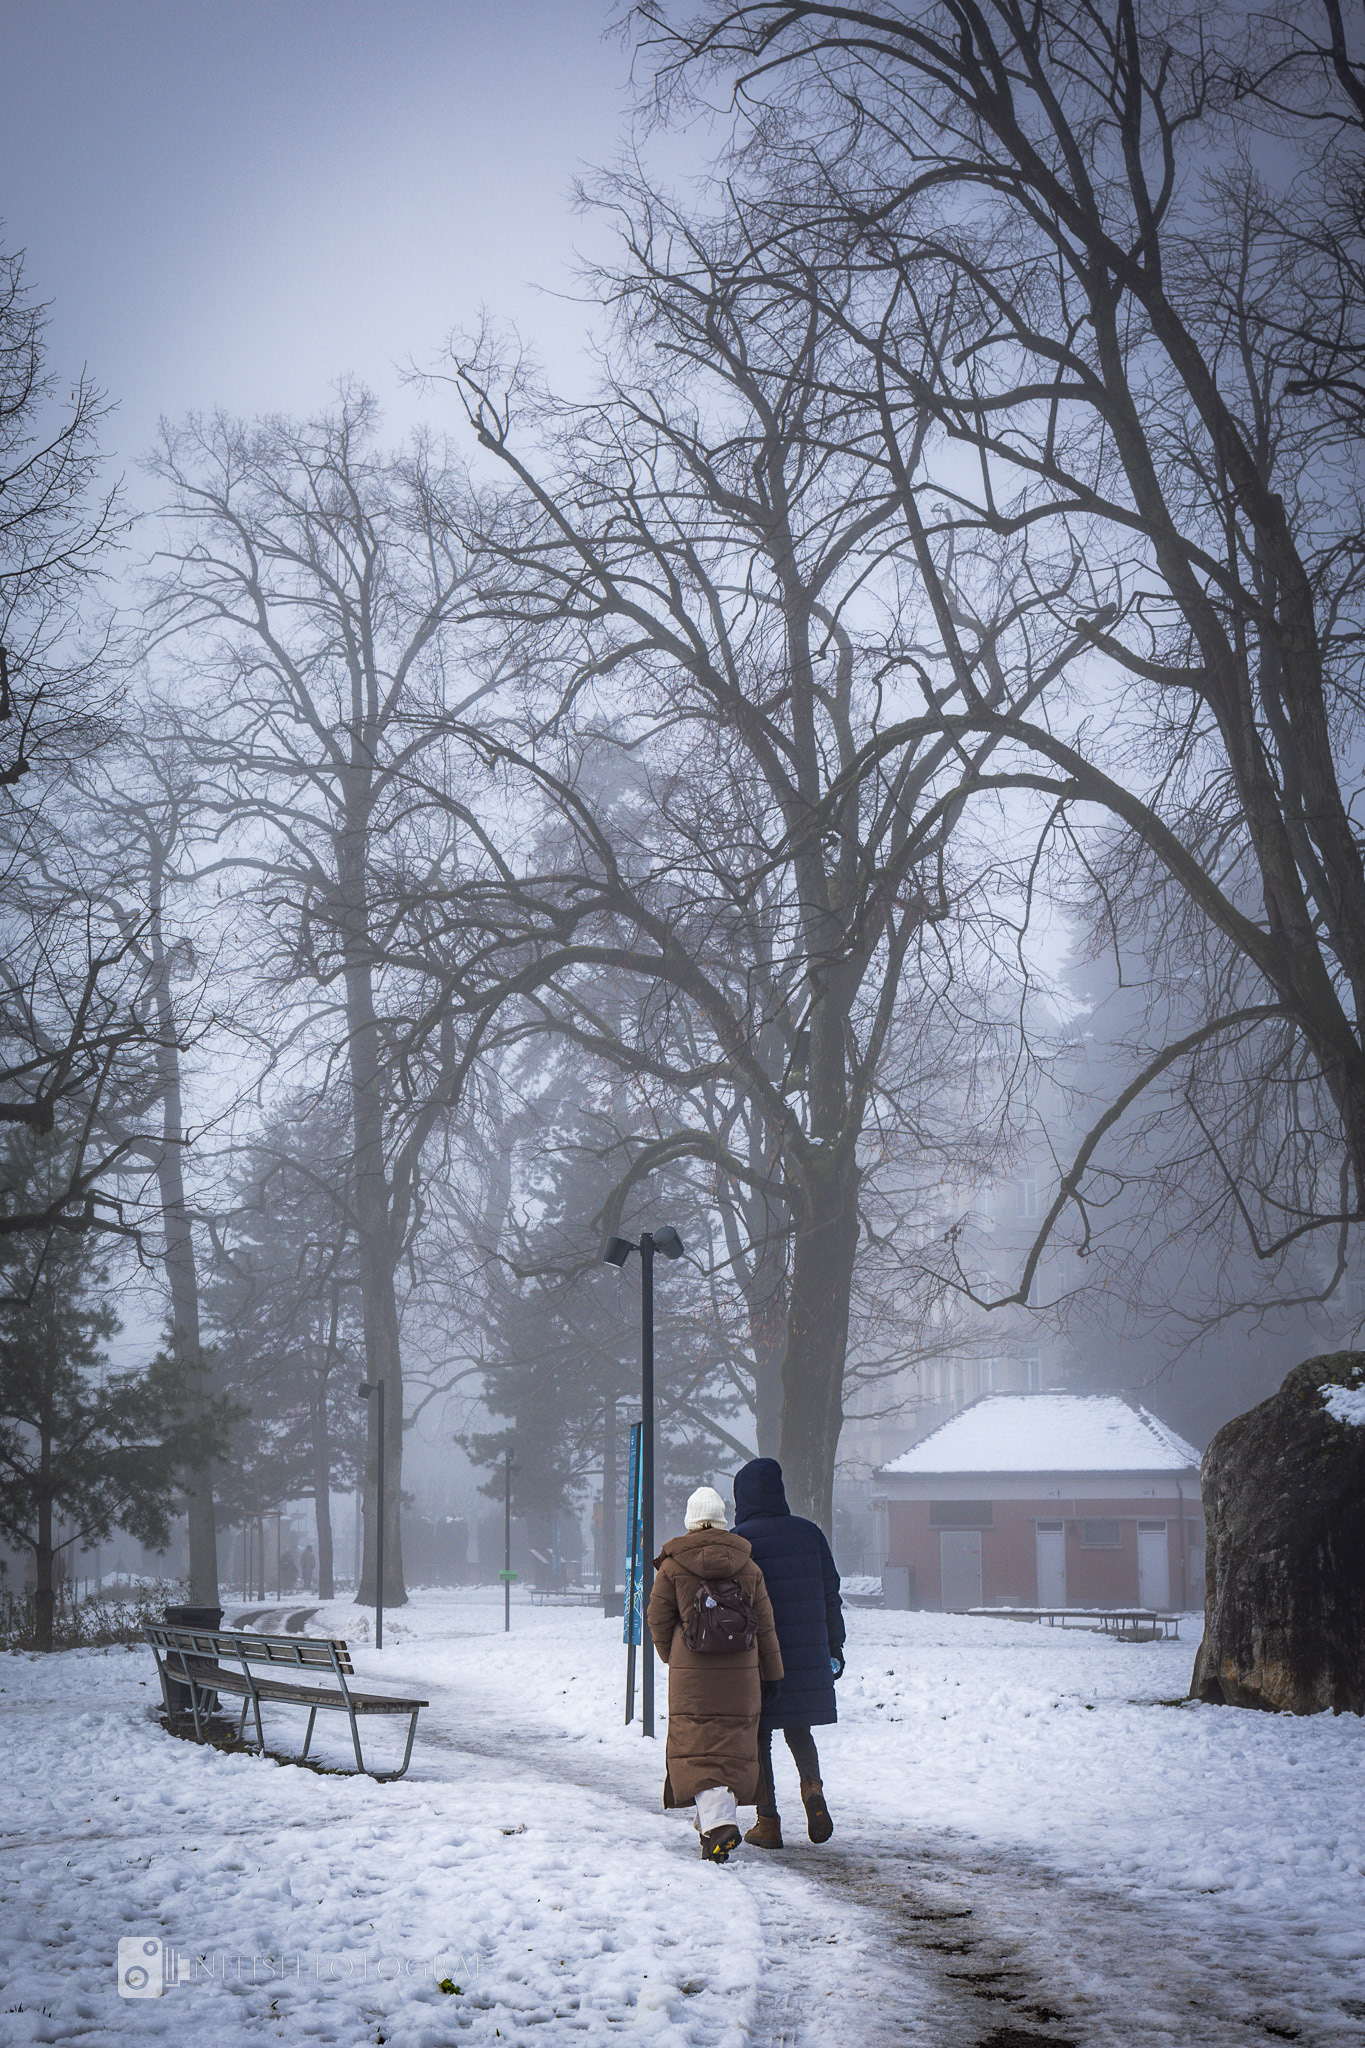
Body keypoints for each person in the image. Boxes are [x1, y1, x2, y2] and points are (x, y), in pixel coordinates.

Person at [647, 1485, 784, 1864]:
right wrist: (772, 1675)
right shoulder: (748, 1566)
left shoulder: (673, 1565)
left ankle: (720, 1824)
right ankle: (710, 1830)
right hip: (742, 1674)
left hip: (692, 1676)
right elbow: (766, 1626)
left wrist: (671, 1655)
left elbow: (658, 1618)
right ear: (723, 1520)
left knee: (697, 1748)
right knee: (730, 1748)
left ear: (691, 1521)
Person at [732, 1457, 845, 1849]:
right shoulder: (810, 1534)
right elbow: (832, 1595)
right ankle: (812, 1787)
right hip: (808, 1655)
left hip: (760, 1660)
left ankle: (769, 1821)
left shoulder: (739, 1542)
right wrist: (835, 1647)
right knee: (799, 1728)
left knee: (760, 1735)